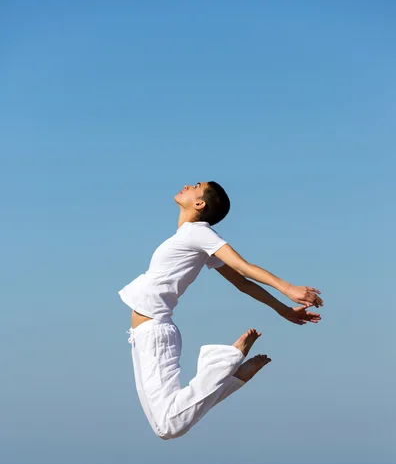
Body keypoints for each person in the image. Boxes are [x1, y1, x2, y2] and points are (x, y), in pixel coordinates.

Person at [119, 182, 323, 440]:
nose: (187, 186)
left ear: (200, 204)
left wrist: (288, 288)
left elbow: (242, 268)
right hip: (144, 334)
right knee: (165, 424)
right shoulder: (190, 238)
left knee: (168, 426)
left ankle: (227, 360)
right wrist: (283, 310)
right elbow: (242, 283)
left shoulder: (199, 233)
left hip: (155, 332)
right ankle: (234, 377)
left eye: (195, 186)